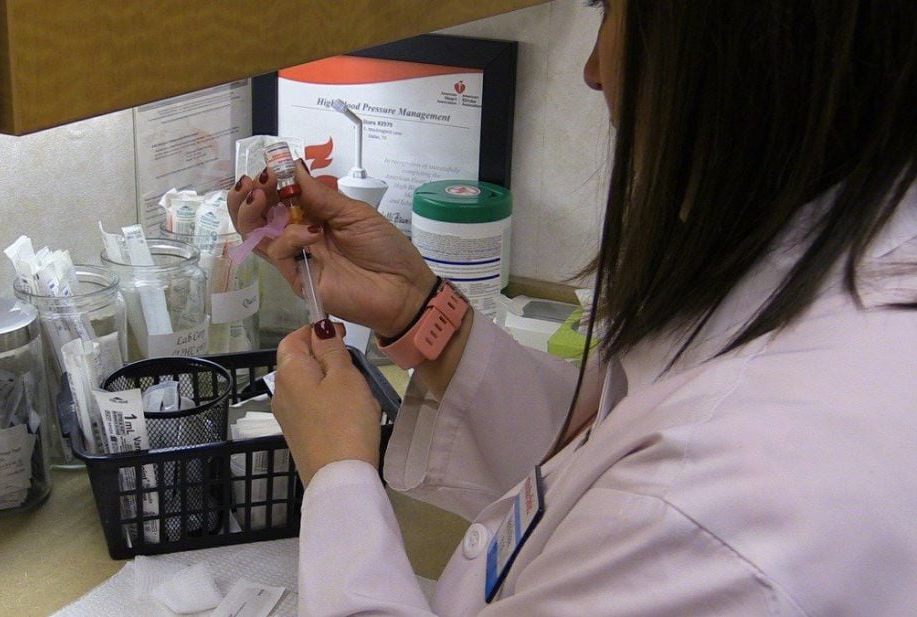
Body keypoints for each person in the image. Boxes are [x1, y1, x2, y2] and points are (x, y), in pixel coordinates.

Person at [227, 0, 916, 614]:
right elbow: (596, 452)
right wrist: (417, 311)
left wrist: (338, 474)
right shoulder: (843, 279)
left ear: (729, 51)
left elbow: (646, 492)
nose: (593, 70)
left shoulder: (718, 518)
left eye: (610, 10)